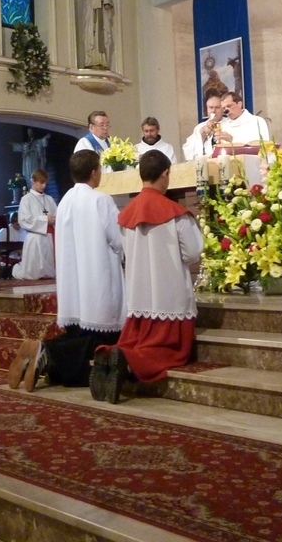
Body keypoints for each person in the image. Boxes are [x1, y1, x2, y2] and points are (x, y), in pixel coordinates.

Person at [92, 151, 203, 404]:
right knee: (171, 352)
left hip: (139, 299)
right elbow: (193, 252)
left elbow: (124, 250)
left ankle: (110, 353)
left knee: (137, 340)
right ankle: (127, 360)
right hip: (170, 298)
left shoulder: (126, 214)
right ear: (165, 173)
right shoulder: (175, 213)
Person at [7, 150, 124, 391]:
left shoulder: (65, 202)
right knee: (99, 340)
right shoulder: (101, 200)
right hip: (96, 281)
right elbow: (118, 239)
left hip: (72, 285)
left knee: (78, 335)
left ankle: (44, 357)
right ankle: (46, 350)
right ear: (94, 172)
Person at [12, 169, 57, 280]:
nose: (44, 186)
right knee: (32, 273)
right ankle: (15, 269)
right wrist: (45, 219)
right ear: (33, 180)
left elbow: (57, 215)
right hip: (35, 237)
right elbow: (24, 220)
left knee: (50, 273)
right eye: (41, 182)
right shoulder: (26, 199)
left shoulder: (49, 199)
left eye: (45, 183)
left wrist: (54, 219)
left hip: (49, 236)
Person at [81, 0, 113, 69]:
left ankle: (102, 60)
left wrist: (107, 6)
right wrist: (99, 0)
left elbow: (106, 12)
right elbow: (88, 7)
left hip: (101, 23)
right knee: (94, 41)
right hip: (93, 24)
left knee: (102, 39)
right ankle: (92, 60)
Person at [182, 94, 228, 160]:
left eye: (217, 107)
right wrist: (202, 135)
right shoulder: (199, 127)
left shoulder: (229, 123)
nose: (213, 111)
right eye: (211, 107)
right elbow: (188, 150)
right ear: (207, 109)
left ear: (223, 109)